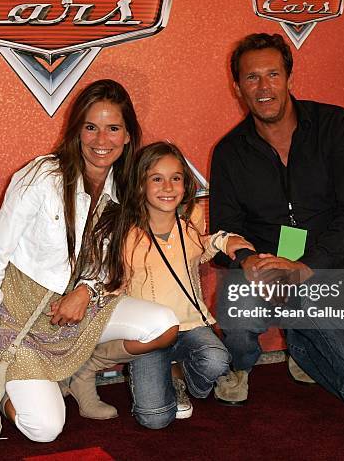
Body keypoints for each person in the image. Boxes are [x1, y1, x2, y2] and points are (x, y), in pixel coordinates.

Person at [0, 80, 180, 443]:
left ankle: (78, 369)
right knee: (45, 429)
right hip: (24, 317)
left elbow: (108, 261)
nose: (101, 140)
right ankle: (6, 390)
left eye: (113, 128)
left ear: (128, 136)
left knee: (163, 325)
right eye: (91, 127)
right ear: (76, 129)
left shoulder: (124, 188)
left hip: (80, 309)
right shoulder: (41, 176)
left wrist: (86, 289)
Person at [209, 33, 344, 420]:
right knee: (237, 300)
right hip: (265, 275)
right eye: (252, 78)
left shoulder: (334, 125)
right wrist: (247, 259)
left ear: (289, 78)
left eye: (273, 75)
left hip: (326, 275)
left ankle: (305, 345)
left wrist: (306, 265)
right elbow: (224, 228)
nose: (264, 88)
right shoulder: (230, 151)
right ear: (237, 87)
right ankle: (240, 365)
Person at [85, 142, 254, 428]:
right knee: (155, 419)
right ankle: (166, 374)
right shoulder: (123, 231)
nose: (168, 187)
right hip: (150, 337)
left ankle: (179, 376)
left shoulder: (190, 221)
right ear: (140, 185)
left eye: (175, 178)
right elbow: (109, 280)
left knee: (216, 361)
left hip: (190, 327)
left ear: (185, 184)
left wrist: (228, 241)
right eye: (156, 178)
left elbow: (205, 244)